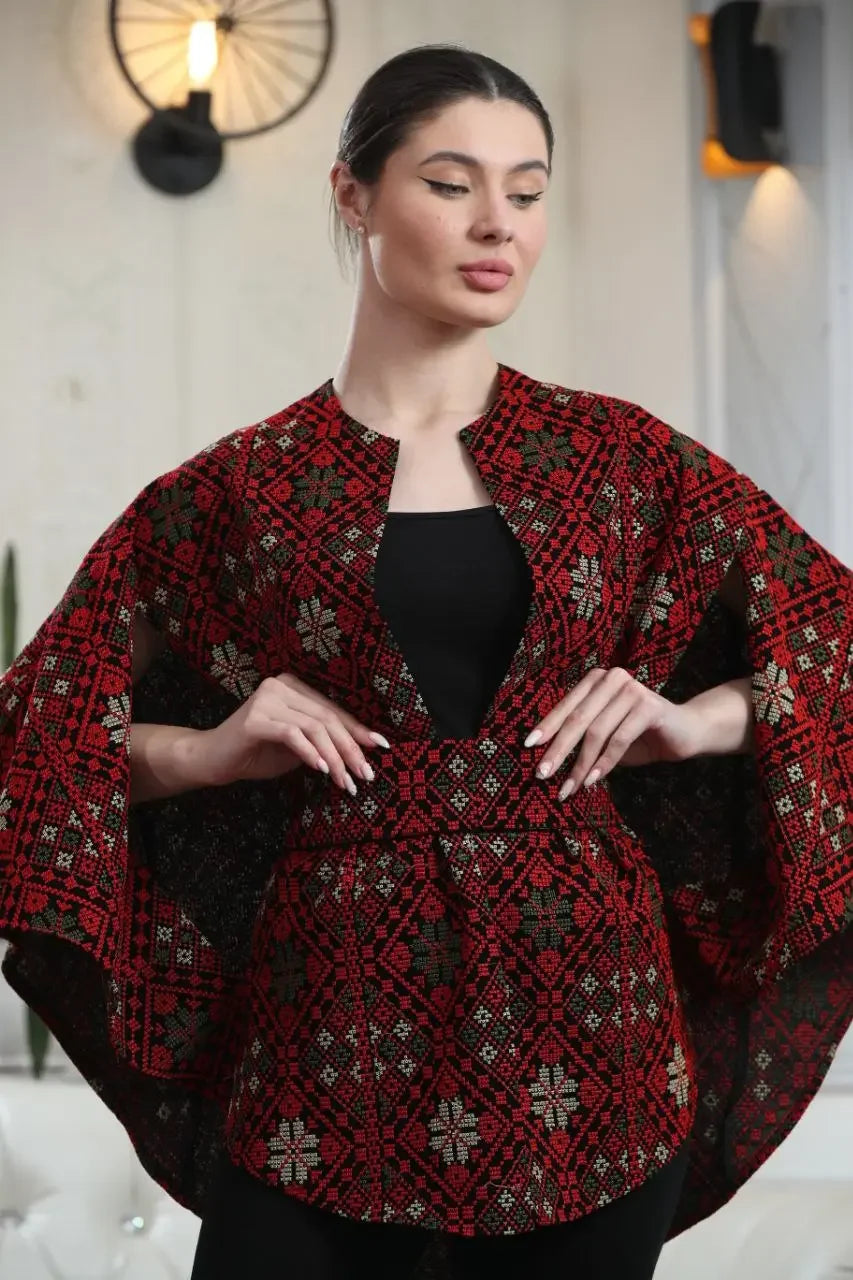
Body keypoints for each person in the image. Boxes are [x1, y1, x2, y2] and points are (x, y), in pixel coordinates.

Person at [0, 43, 850, 1280]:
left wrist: (700, 720)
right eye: (451, 183)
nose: (498, 222)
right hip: (321, 1036)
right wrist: (208, 748)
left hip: (592, 1045)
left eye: (528, 187)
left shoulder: (620, 463)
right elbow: (37, 734)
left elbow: (833, 643)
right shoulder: (237, 493)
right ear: (354, 194)